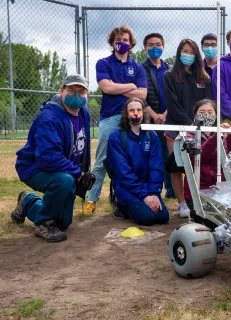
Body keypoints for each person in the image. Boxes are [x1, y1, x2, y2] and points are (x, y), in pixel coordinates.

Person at [11, 74, 91, 243]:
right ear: (62, 90)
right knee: (63, 181)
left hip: (63, 169)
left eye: (81, 91)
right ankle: (43, 224)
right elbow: (48, 158)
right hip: (34, 167)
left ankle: (28, 202)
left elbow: (82, 147)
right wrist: (78, 174)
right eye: (71, 90)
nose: (76, 95)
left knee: (63, 223)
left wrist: (83, 171)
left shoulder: (83, 113)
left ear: (87, 94)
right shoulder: (48, 118)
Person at [83, 25, 148, 214]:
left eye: (126, 40)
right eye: (118, 39)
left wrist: (116, 86)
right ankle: (91, 199)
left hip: (132, 119)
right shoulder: (103, 63)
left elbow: (142, 94)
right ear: (113, 42)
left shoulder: (137, 67)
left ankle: (122, 198)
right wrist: (130, 85)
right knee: (102, 160)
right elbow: (106, 88)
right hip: (110, 118)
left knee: (129, 159)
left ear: (131, 43)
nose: (122, 43)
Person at [164, 39, 212, 217]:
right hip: (175, 128)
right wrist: (188, 123)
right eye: (185, 51)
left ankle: (199, 199)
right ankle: (182, 203)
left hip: (199, 129)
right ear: (179, 53)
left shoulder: (203, 77)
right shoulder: (169, 76)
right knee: (177, 165)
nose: (188, 55)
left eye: (191, 52)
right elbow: (172, 104)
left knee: (198, 165)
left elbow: (207, 104)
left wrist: (198, 125)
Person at [182, 99, 231, 215]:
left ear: (216, 115)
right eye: (202, 112)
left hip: (223, 188)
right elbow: (200, 156)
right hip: (197, 192)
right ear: (195, 115)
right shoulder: (188, 134)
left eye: (210, 113)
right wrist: (217, 136)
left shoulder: (220, 131)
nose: (206, 115)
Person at [105, 97, 169, 226]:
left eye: (139, 109)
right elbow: (123, 172)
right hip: (127, 187)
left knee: (163, 217)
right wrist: (144, 196)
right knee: (147, 218)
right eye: (132, 110)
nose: (136, 113)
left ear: (143, 112)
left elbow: (156, 167)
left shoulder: (152, 136)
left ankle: (142, 202)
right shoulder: (116, 138)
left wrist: (154, 193)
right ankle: (120, 204)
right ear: (126, 113)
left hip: (148, 186)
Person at [141, 32, 175, 199]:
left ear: (163, 46)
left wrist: (165, 114)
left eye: (158, 45)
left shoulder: (171, 69)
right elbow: (140, 97)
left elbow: (176, 95)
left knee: (169, 155)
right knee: (151, 155)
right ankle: (152, 189)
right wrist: (154, 115)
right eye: (151, 45)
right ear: (145, 48)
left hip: (168, 119)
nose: (155, 48)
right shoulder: (141, 69)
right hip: (149, 119)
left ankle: (171, 190)